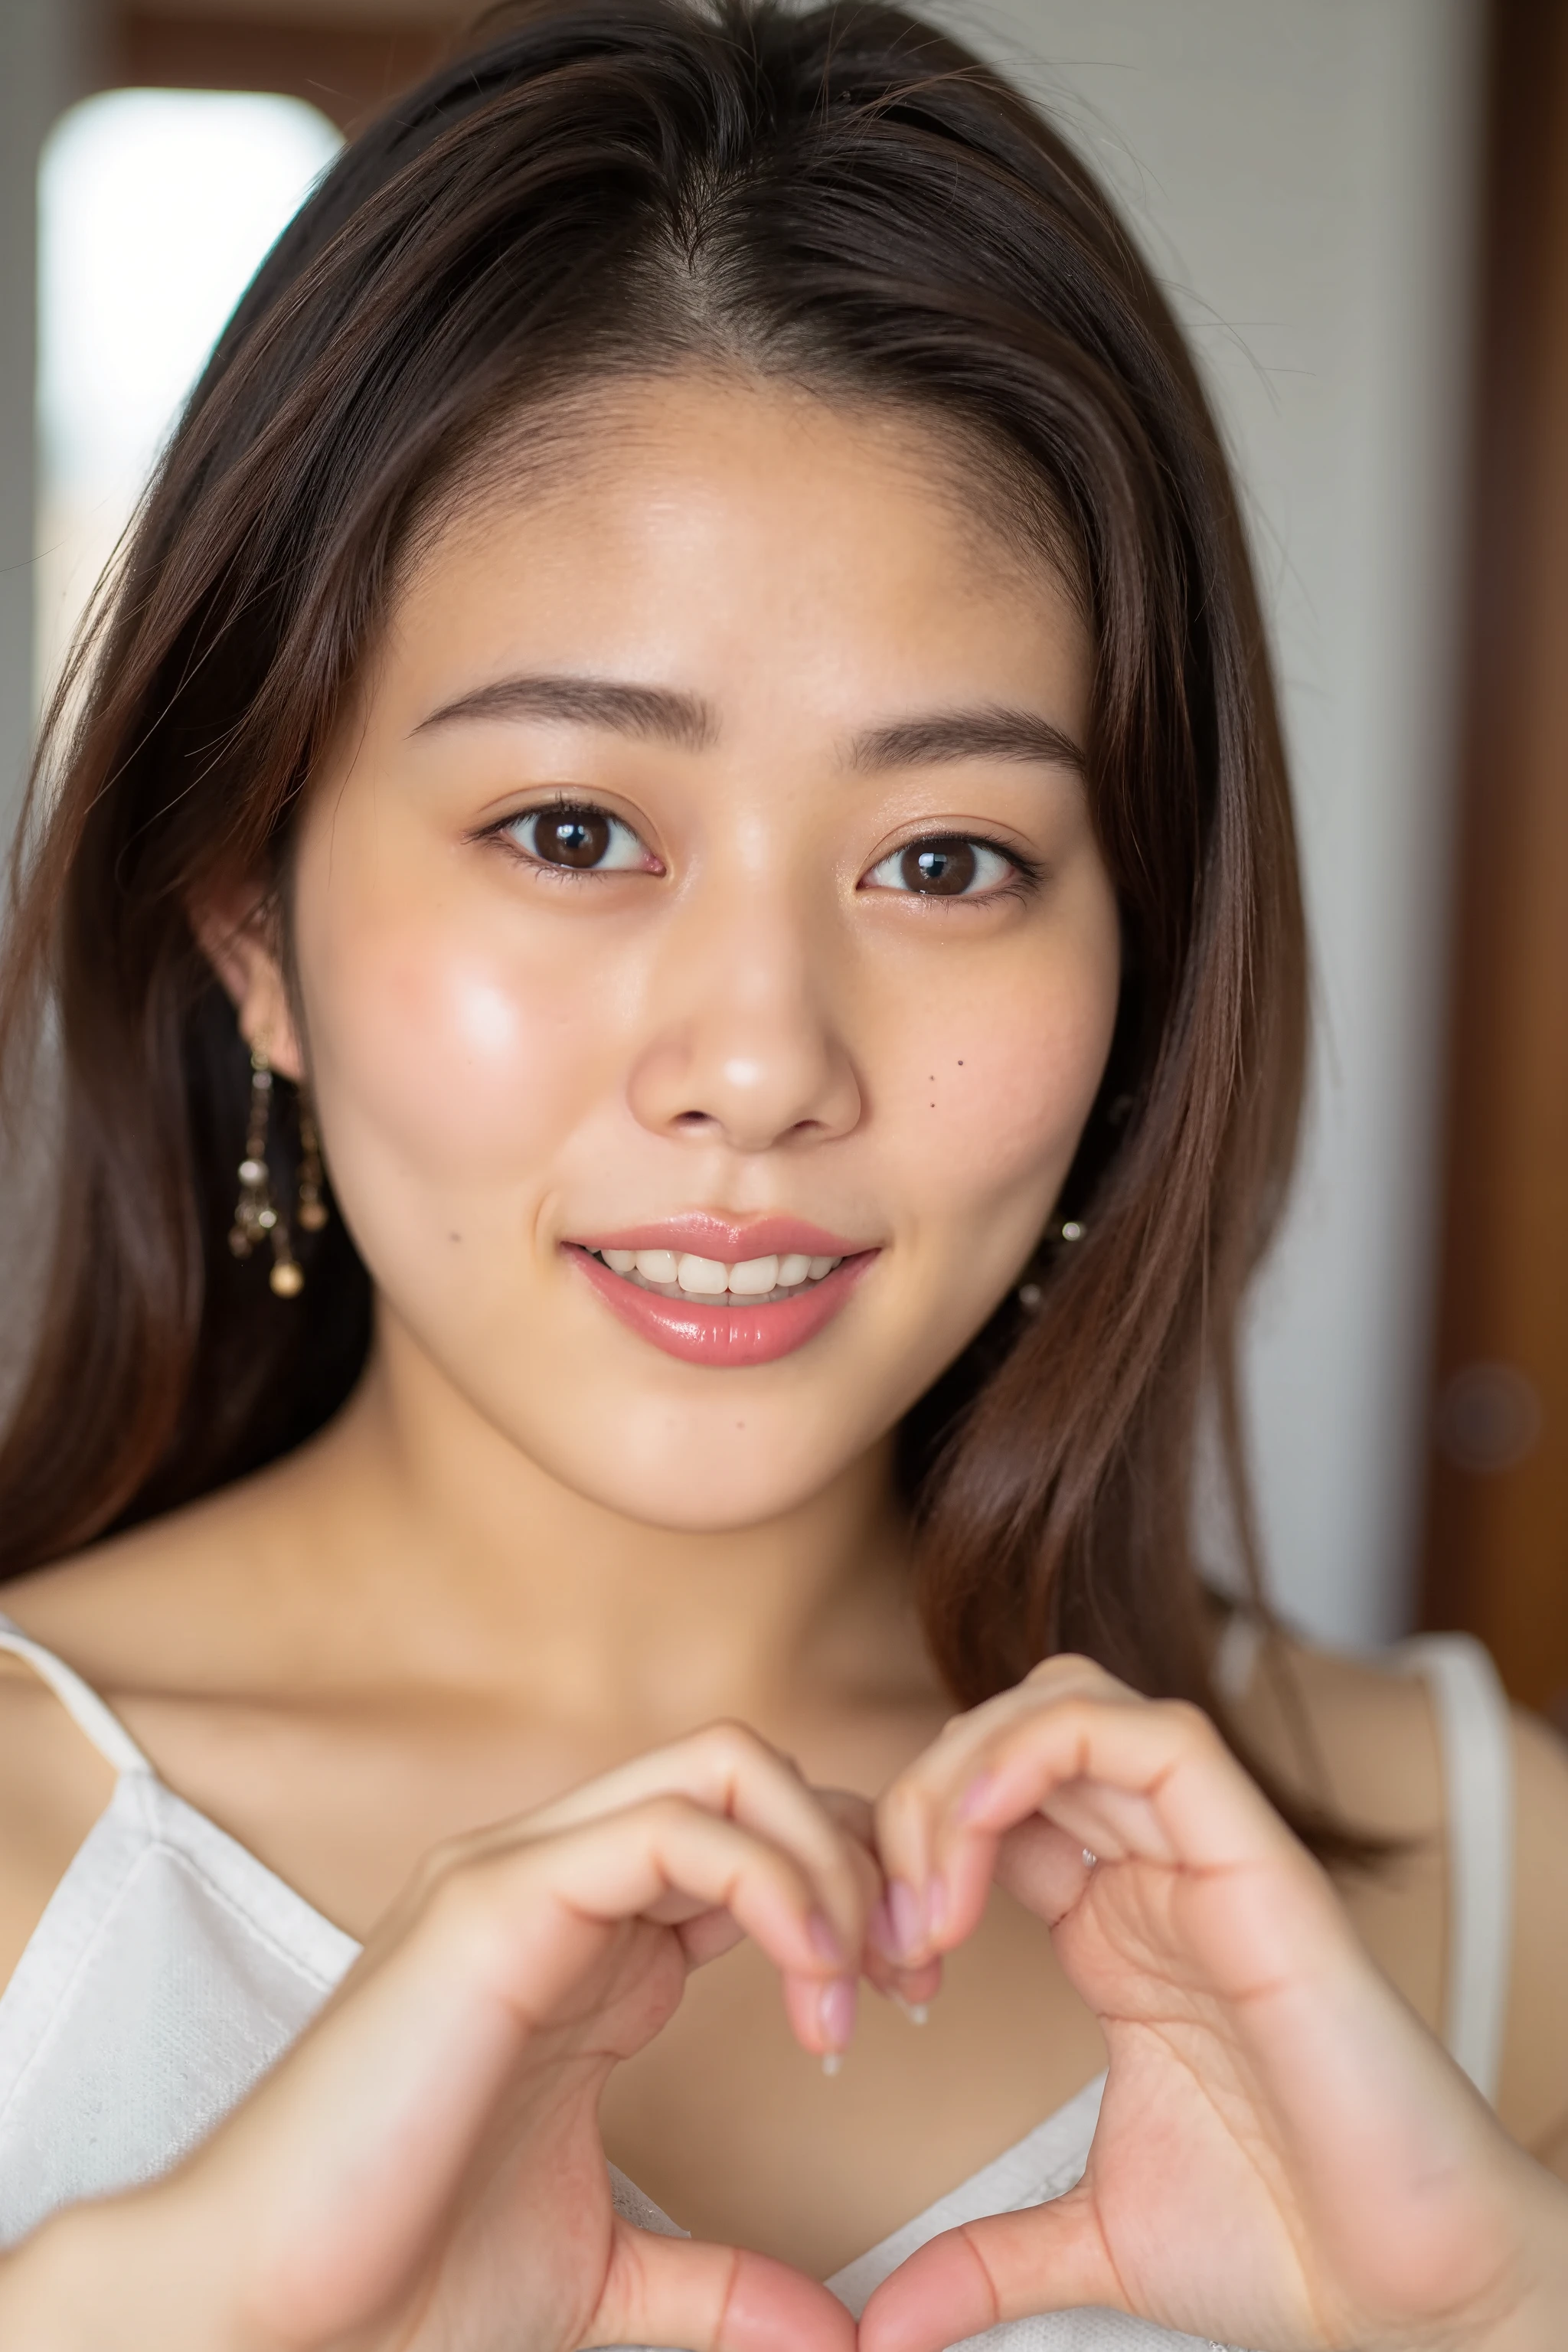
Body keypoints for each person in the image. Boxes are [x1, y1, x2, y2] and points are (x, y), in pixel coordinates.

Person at [0, 2, 1564, 2345]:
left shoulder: (1480, 1875)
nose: (759, 1063)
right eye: (570, 829)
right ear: (255, 930)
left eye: (946, 858)